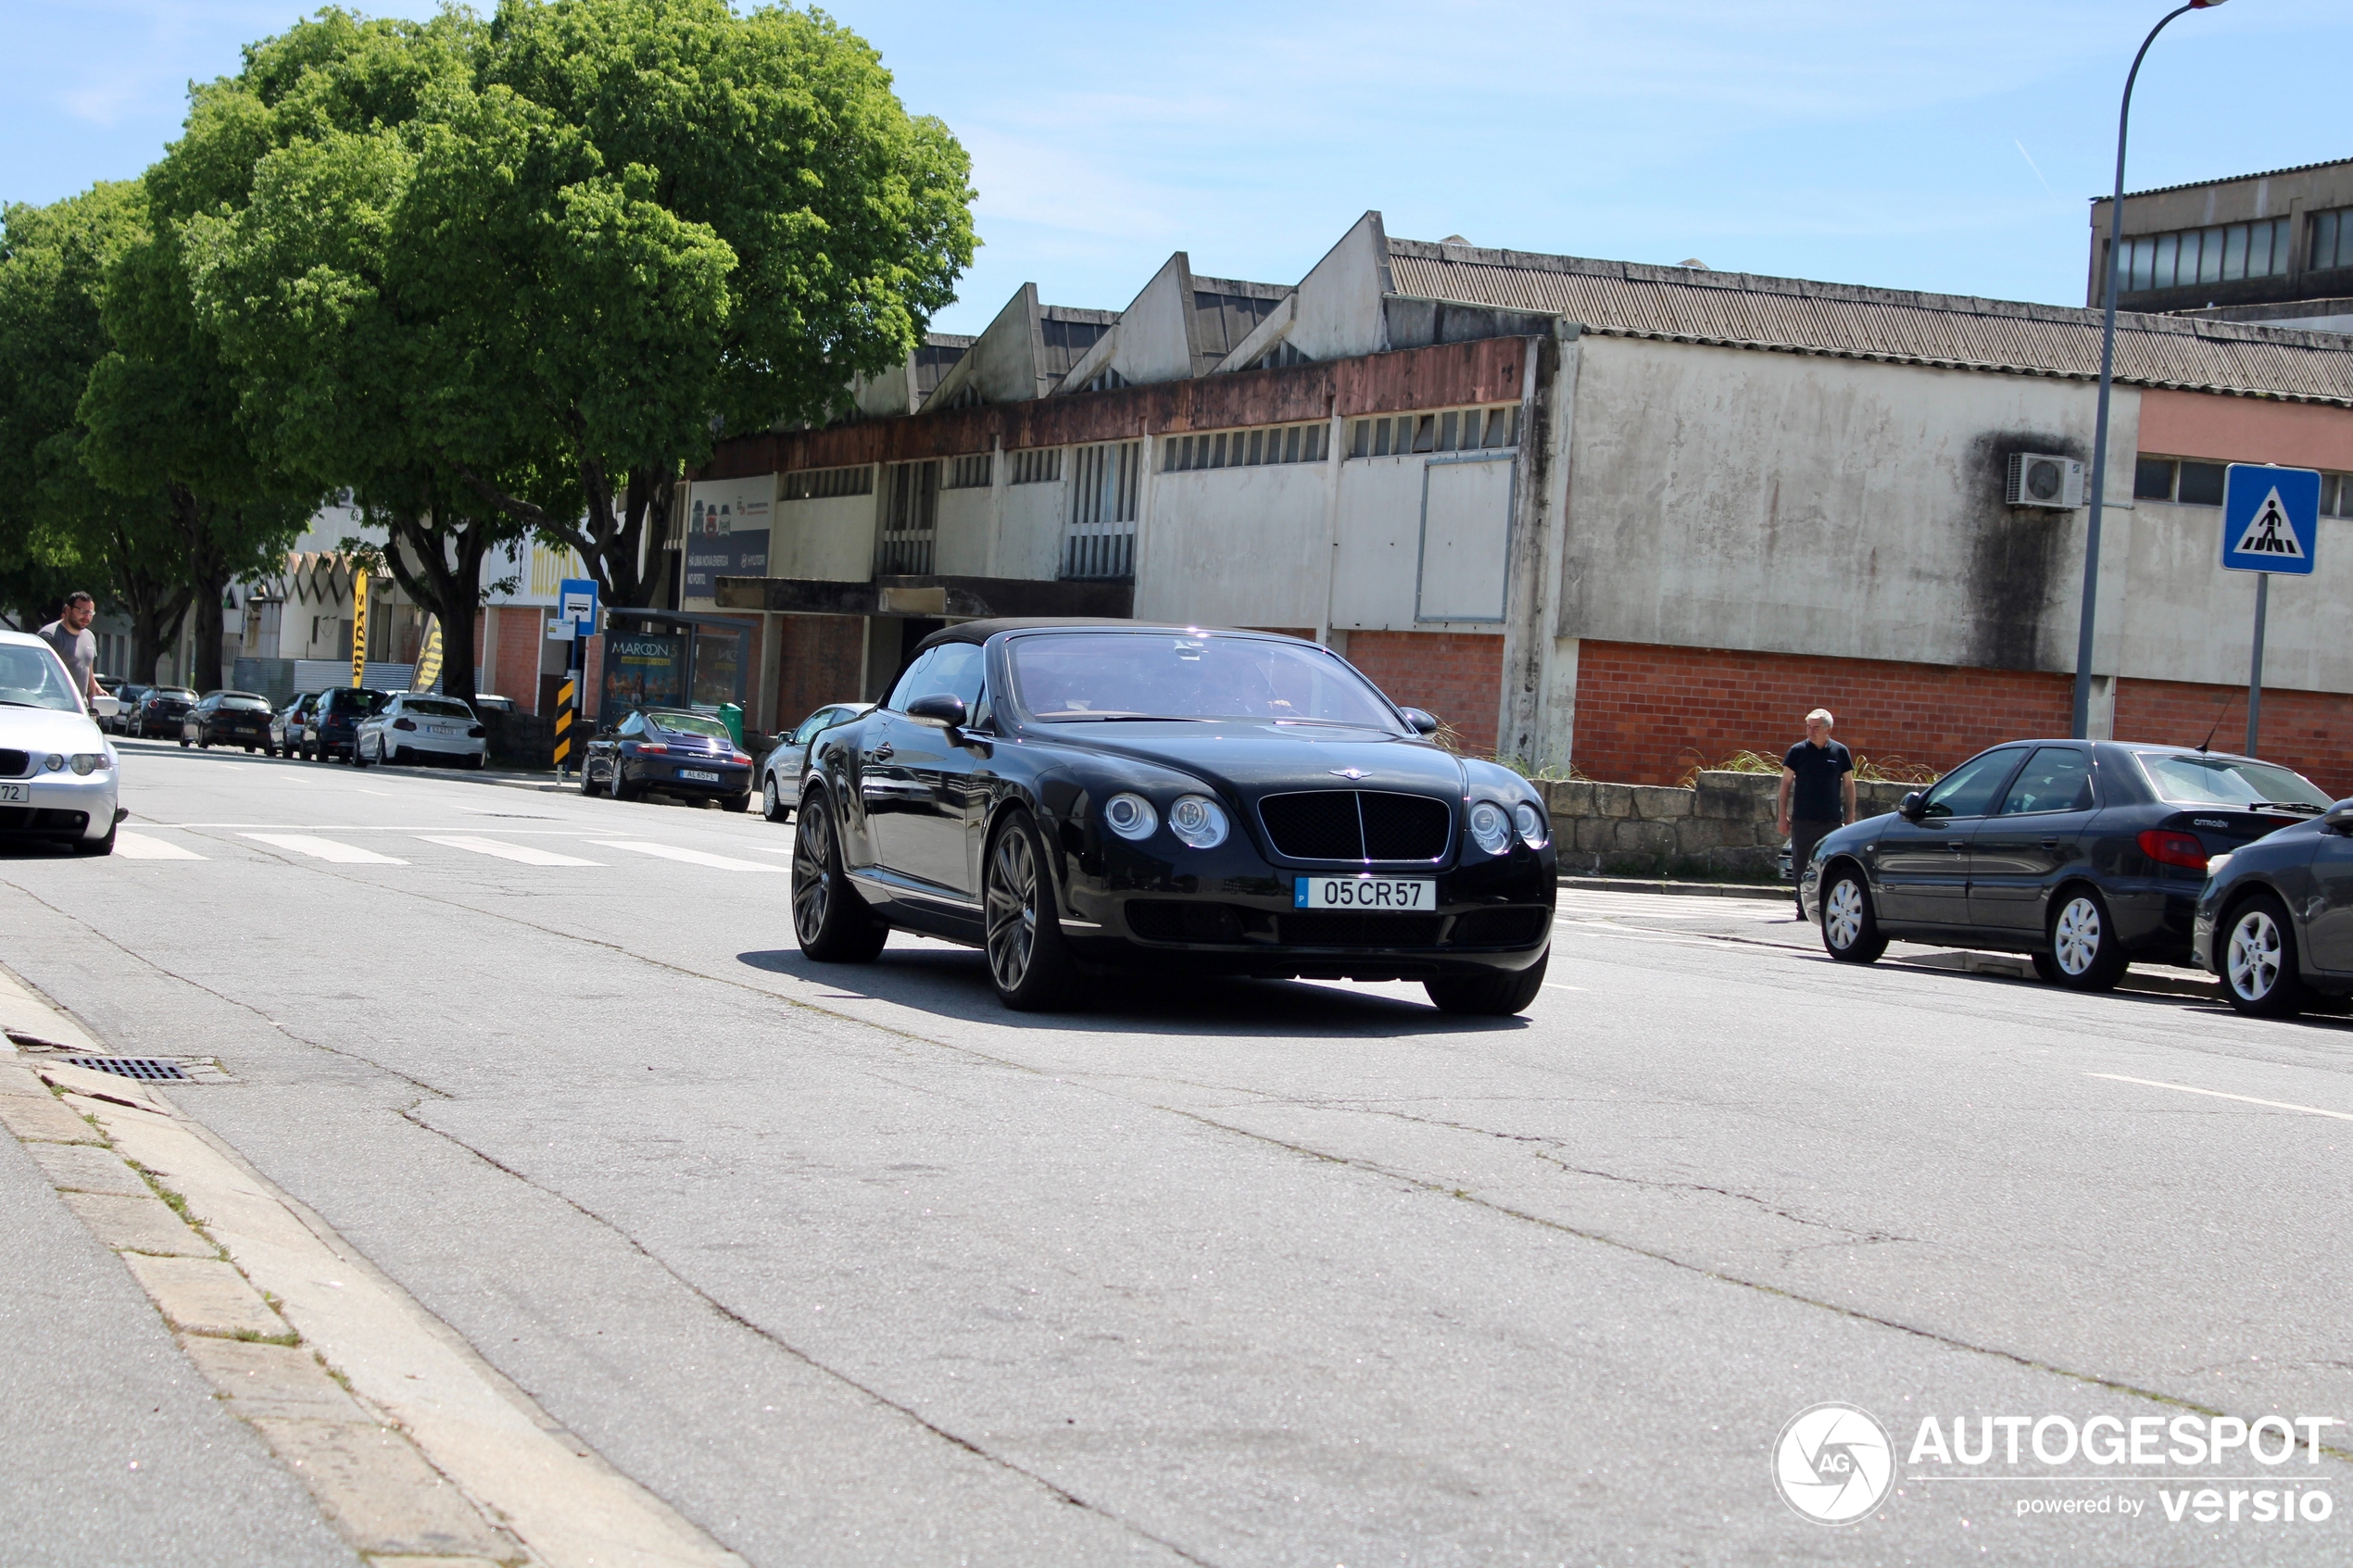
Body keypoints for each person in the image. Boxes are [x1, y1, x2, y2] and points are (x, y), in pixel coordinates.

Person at [1777, 707, 1856, 918]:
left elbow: (1849, 785)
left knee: (1829, 864)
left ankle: (1825, 904)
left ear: (1828, 729)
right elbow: (1785, 784)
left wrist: (1850, 816)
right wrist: (1782, 816)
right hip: (1803, 819)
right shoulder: (1797, 752)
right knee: (1801, 863)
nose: (1810, 731)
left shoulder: (1840, 752)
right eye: (1808, 727)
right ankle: (1802, 906)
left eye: (1815, 728)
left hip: (1831, 820)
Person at [37, 592, 100, 710]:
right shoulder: (50, 636)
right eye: (82, 611)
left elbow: (88, 669)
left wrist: (95, 689)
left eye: (90, 612)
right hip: (53, 707)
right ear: (67, 610)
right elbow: (39, 674)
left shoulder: (90, 637)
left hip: (81, 708)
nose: (87, 616)